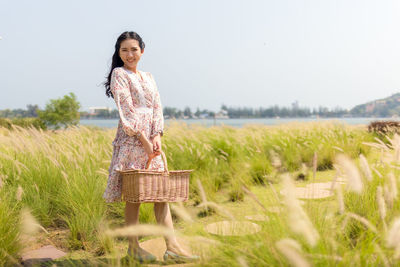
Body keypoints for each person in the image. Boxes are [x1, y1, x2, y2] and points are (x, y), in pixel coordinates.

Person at [103, 31, 198, 263]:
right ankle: (133, 248)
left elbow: (157, 107)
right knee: (134, 196)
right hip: (132, 140)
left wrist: (157, 135)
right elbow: (126, 110)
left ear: (142, 51)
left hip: (152, 141)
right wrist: (143, 139)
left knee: (161, 194)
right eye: (124, 50)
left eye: (134, 49)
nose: (129, 54)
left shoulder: (148, 76)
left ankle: (172, 246)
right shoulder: (119, 74)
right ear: (119, 52)